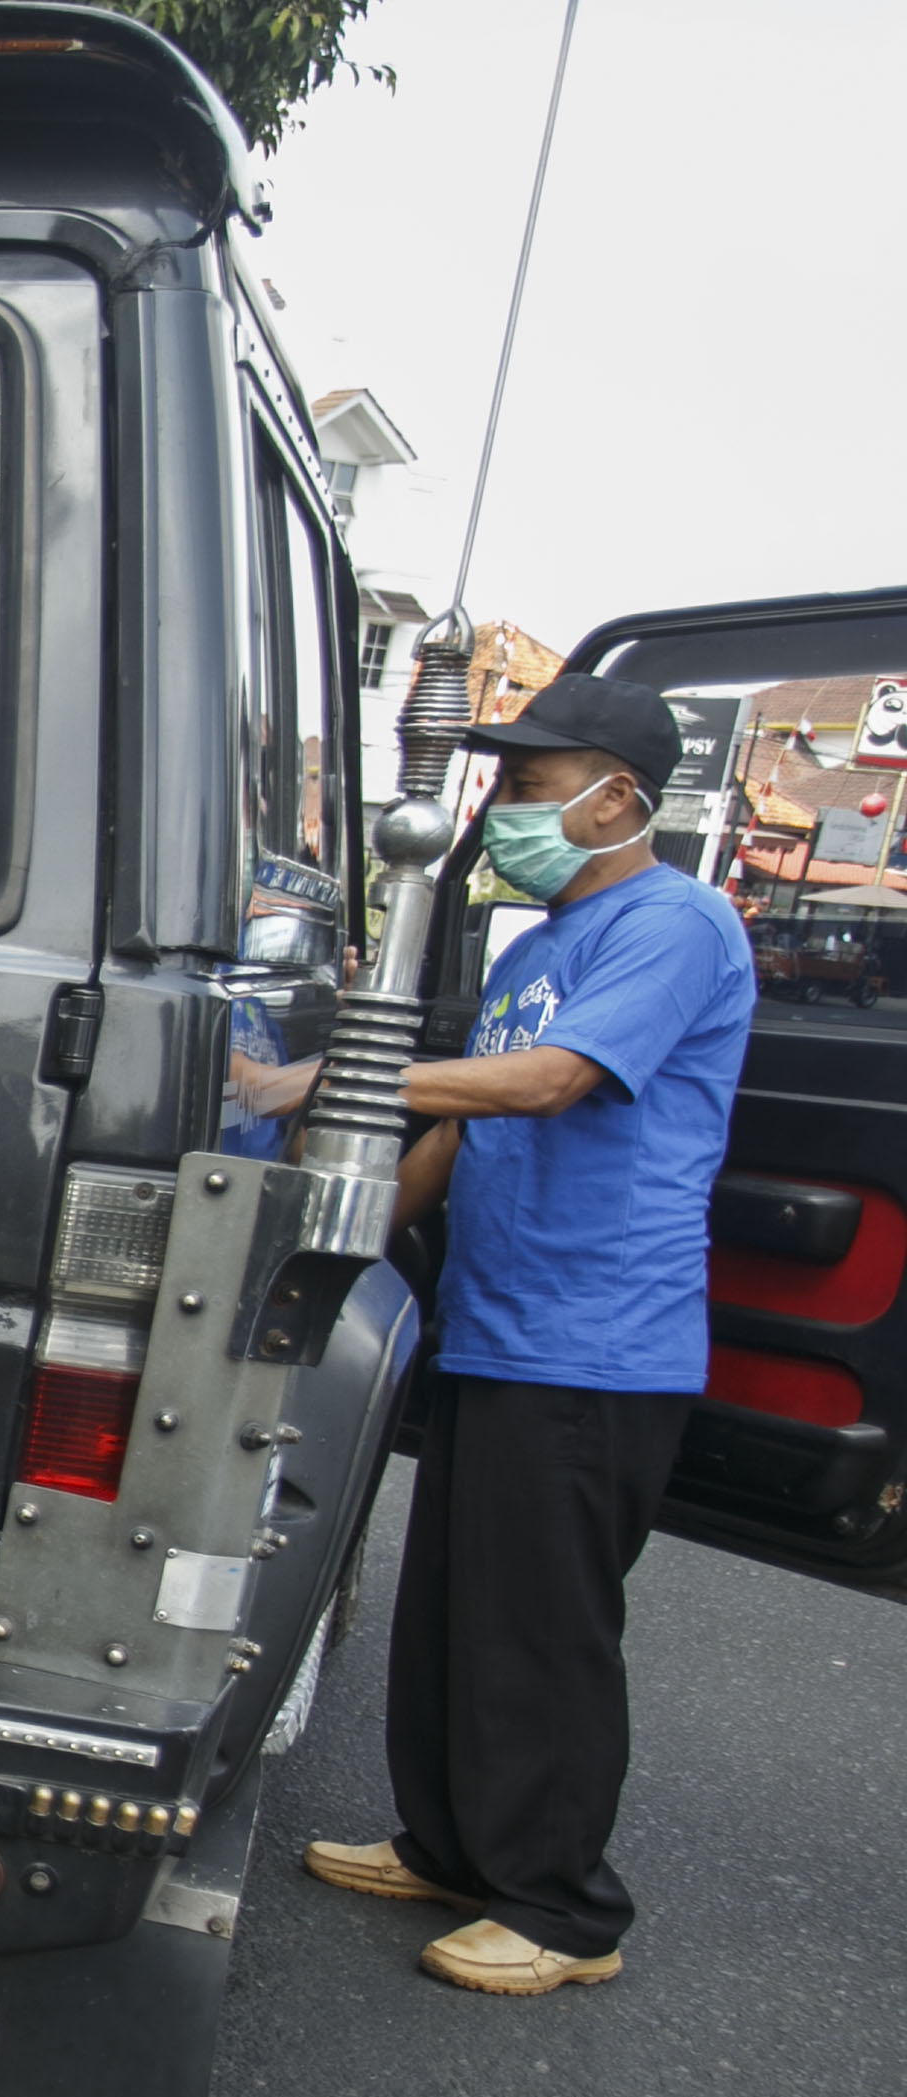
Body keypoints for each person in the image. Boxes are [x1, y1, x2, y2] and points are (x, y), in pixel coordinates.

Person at [305, 673, 753, 1997]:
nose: (504, 807)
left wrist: (337, 1069)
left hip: (598, 1338)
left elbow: (553, 1082)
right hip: (499, 1324)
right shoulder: (538, 945)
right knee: (456, 1605)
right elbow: (464, 1123)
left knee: (544, 1628)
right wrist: (339, 1242)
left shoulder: (675, 921)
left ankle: (563, 1909)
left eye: (531, 784)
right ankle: (451, 1842)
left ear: (618, 794)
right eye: (503, 782)